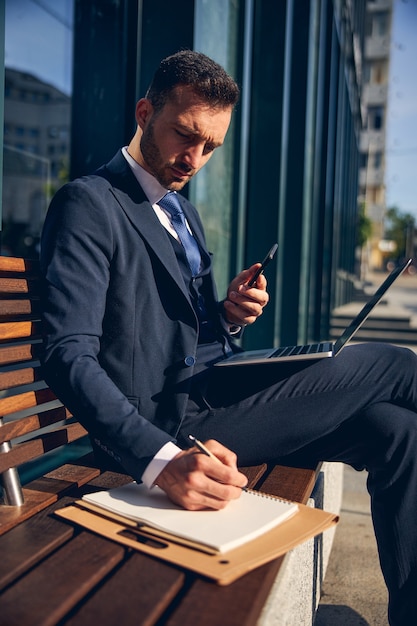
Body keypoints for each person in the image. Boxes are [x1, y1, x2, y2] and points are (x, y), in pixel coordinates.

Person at [40, 50, 417, 625]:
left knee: (398, 431)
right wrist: (161, 461)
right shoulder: (90, 203)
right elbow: (69, 353)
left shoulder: (182, 214)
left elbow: (187, 334)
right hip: (169, 425)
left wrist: (229, 315)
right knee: (394, 365)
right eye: (184, 136)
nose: (194, 158)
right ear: (145, 113)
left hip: (217, 391)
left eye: (211, 146)